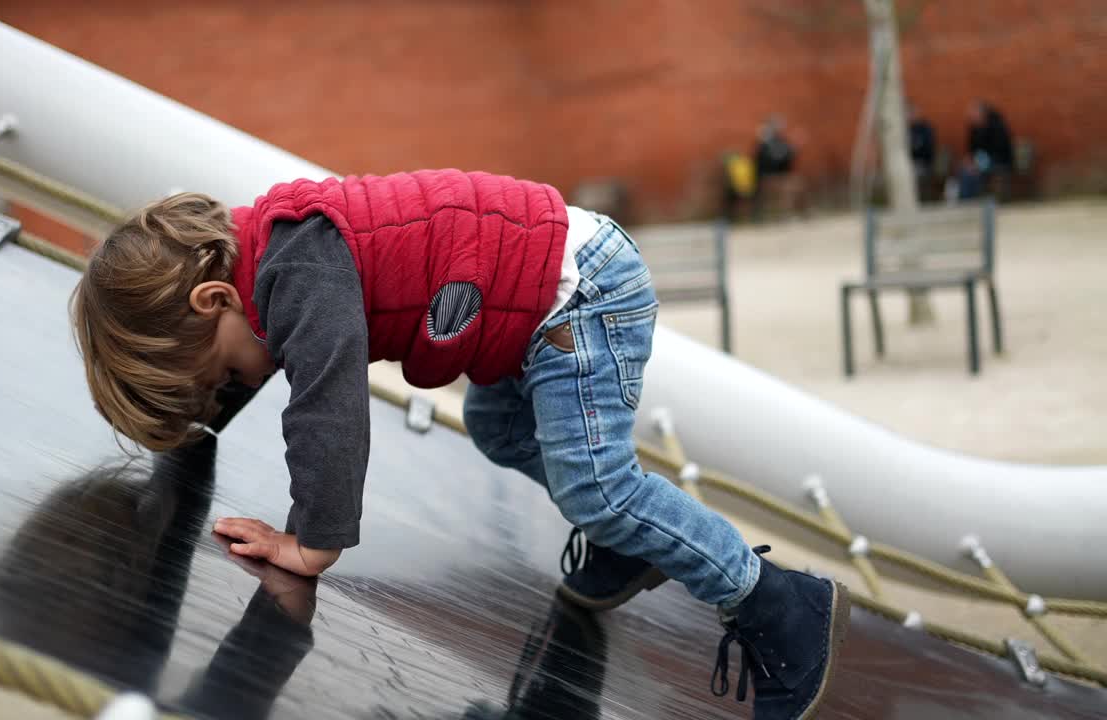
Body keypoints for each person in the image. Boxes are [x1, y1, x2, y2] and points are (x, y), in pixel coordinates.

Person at [69, 171, 850, 718]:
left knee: (596, 487)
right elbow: (258, 358)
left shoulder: (298, 271)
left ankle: (778, 603)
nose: (236, 384)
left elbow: (327, 402)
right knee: (497, 426)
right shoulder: (264, 259)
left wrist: (312, 542)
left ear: (214, 299)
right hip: (535, 299)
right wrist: (192, 425)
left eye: (222, 375)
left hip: (578, 292)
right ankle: (626, 546)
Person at [966, 100, 1015, 198]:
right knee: (966, 171)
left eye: (975, 115)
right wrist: (971, 160)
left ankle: (982, 197)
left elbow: (1001, 150)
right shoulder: (975, 129)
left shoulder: (997, 126)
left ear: (982, 114)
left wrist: (980, 162)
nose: (973, 118)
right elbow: (972, 149)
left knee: (976, 170)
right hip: (982, 160)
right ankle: (969, 198)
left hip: (1000, 160)